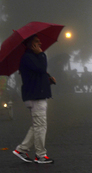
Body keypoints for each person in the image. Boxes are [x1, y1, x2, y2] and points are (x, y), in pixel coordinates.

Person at [13, 35, 56, 164]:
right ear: (31, 44)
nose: (40, 43)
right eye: (37, 41)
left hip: (36, 95)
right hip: (35, 97)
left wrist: (48, 81)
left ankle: (22, 149)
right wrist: (42, 54)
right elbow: (41, 69)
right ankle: (40, 155)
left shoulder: (31, 58)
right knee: (40, 126)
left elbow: (37, 75)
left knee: (36, 126)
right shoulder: (29, 57)